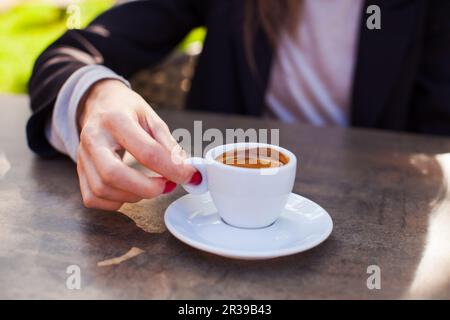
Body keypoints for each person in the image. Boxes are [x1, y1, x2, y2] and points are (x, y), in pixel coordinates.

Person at [27, 0, 450, 211]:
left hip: (365, 217)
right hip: (212, 221)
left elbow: (435, 142)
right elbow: (73, 52)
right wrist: (95, 97)